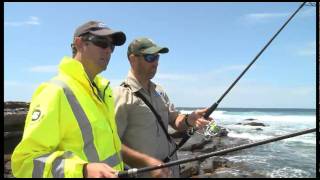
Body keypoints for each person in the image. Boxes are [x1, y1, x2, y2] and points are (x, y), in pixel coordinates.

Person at [11, 21, 168, 178]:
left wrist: (147, 162)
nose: (108, 51)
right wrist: (83, 170)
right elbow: (25, 162)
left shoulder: (103, 93)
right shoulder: (55, 91)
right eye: (101, 43)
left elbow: (111, 146)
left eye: (112, 46)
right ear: (79, 43)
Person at [114, 37, 213, 177]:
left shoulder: (159, 91)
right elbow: (111, 144)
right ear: (133, 59)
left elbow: (175, 120)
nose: (155, 63)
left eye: (157, 57)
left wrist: (190, 119)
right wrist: (148, 163)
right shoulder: (120, 95)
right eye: (150, 57)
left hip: (171, 171)